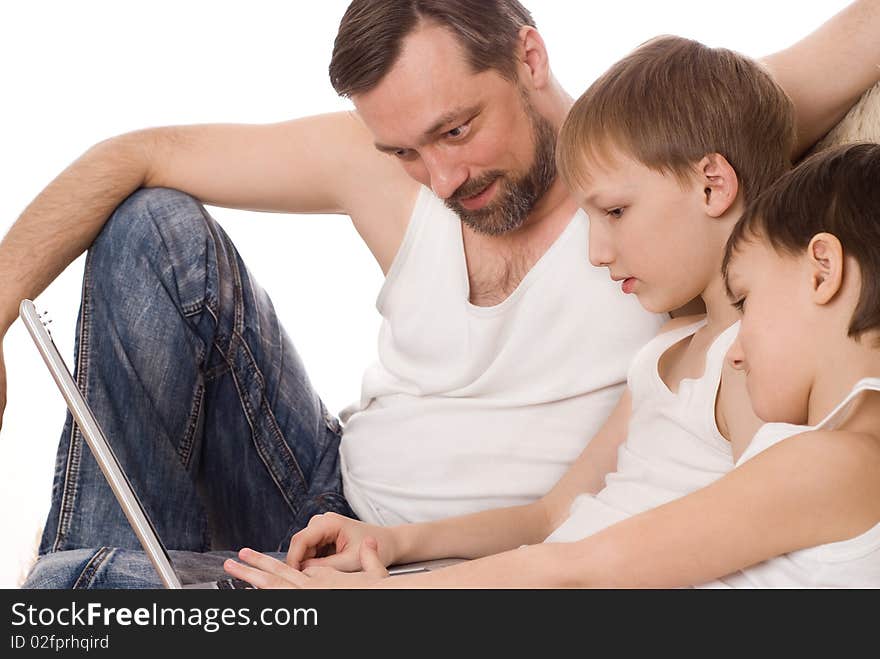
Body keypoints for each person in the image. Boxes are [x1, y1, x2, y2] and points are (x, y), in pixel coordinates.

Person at [8, 2, 879, 588]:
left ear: (529, 57)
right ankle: (106, 596)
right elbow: (133, 155)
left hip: (463, 571)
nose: (442, 175)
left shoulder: (668, 145)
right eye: (406, 152)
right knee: (152, 228)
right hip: (333, 507)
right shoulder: (389, 166)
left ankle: (95, 599)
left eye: (457, 129)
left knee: (72, 592)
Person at [223, 78, 880, 590]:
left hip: (542, 583)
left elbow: (578, 568)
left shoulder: (828, 454)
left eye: (750, 299)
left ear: (822, 271)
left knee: (160, 601)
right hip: (525, 576)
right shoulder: (688, 363)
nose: (739, 344)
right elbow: (554, 525)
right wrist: (393, 546)